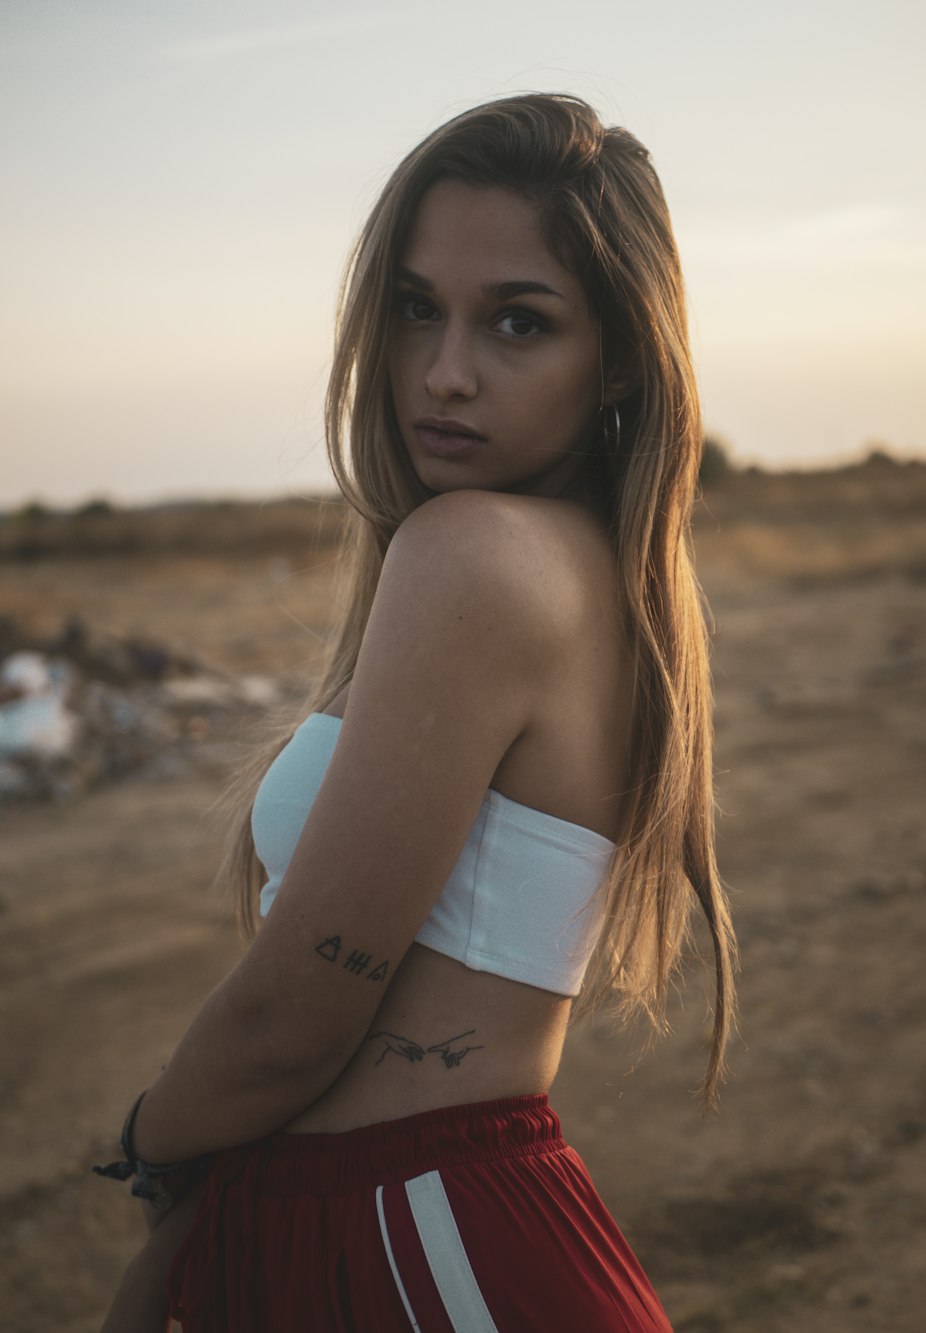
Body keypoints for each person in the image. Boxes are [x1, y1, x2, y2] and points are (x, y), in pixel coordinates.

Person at [97, 92, 737, 1332]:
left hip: (416, 1236)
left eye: (516, 322)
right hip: (392, 1225)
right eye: (414, 309)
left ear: (614, 355)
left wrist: (138, 1142)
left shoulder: (476, 556)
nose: (444, 373)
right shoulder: (590, 568)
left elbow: (294, 1013)